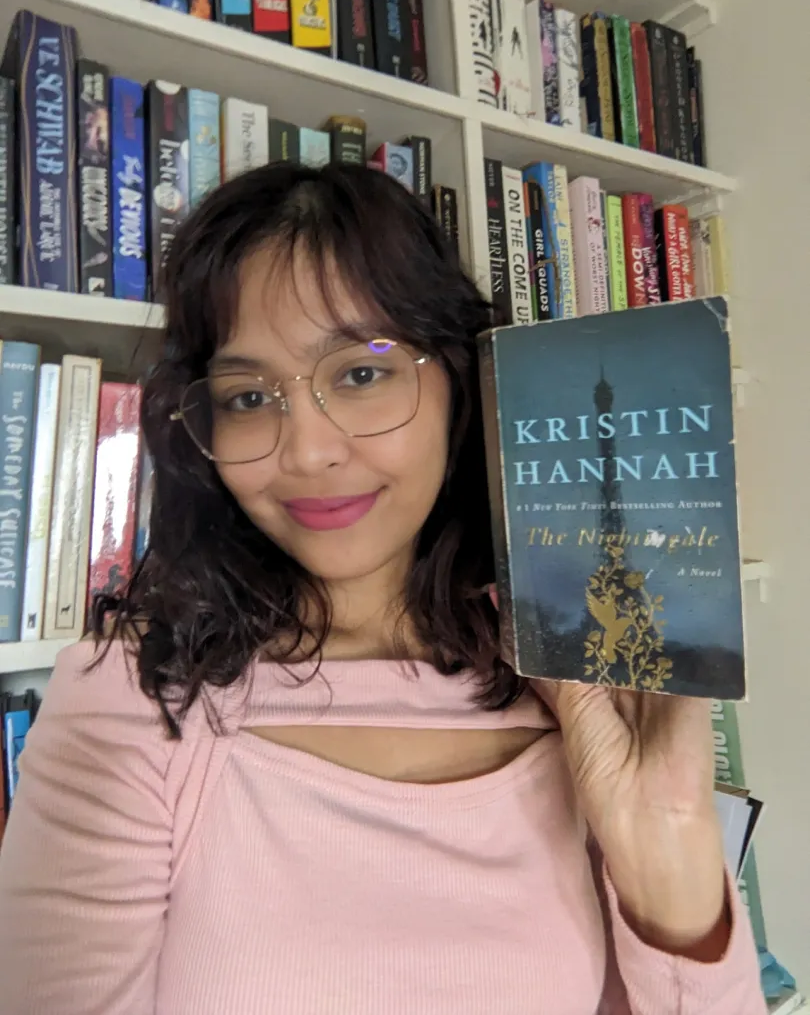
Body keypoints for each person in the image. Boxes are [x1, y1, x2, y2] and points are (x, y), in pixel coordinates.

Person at [0, 163, 766, 1014]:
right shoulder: (136, 699)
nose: (308, 452)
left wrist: (667, 843)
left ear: (459, 383)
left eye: (361, 374)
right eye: (248, 396)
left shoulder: (577, 678)